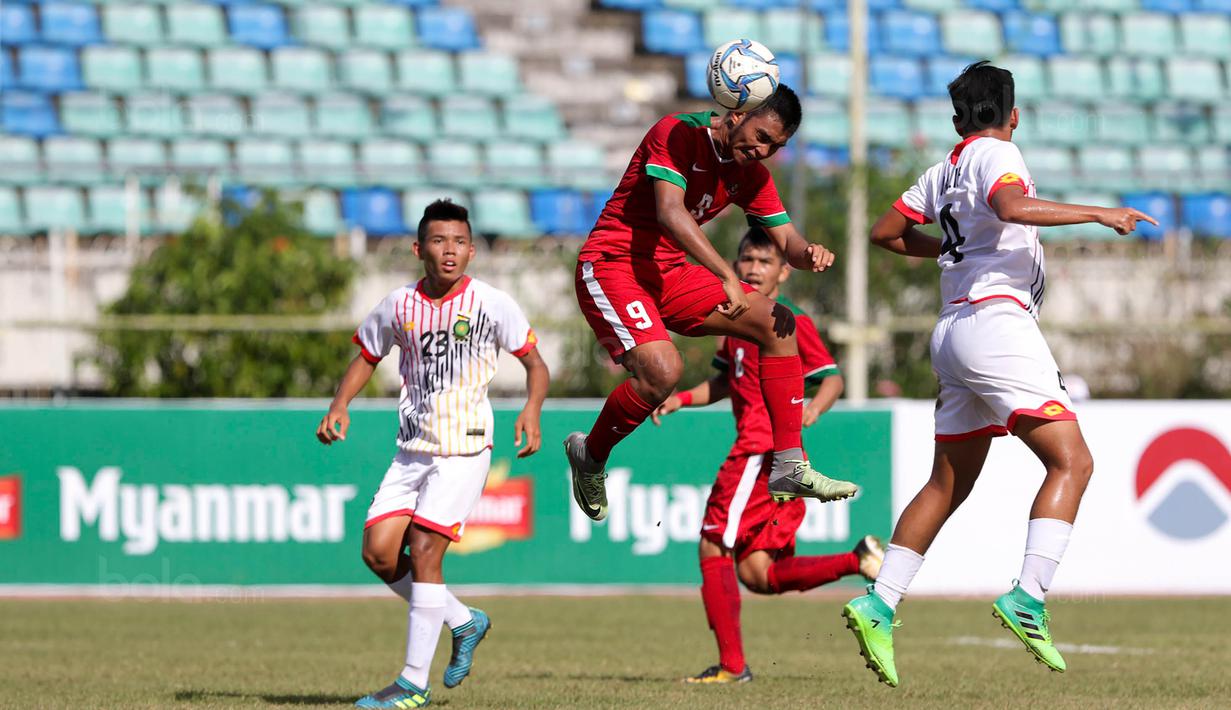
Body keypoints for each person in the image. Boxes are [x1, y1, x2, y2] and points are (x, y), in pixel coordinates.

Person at [842, 61, 1157, 688]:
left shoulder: (944, 171)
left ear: (956, 118)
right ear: (1013, 115)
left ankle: (880, 603)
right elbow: (1011, 205)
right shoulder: (995, 156)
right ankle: (1029, 597)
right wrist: (1100, 213)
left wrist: (954, 250)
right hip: (996, 326)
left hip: (952, 333)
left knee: (947, 484)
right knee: (1074, 462)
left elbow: (885, 232)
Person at [565, 85, 858, 524]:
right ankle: (590, 455)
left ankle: (788, 465)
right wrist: (726, 274)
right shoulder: (678, 133)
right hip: (614, 264)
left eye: (774, 146)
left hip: (669, 273)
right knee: (663, 370)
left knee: (780, 322)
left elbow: (787, 240)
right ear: (737, 113)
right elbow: (670, 211)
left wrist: (808, 252)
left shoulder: (752, 175)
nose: (762, 150)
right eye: (761, 136)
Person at [316, 200, 550, 708]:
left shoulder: (492, 303)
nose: (451, 251)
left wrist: (531, 410)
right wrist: (340, 404)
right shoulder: (399, 303)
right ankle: (464, 621)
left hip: (465, 448)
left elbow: (536, 364)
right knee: (379, 553)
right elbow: (367, 355)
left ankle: (411, 684)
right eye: (440, 241)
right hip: (412, 450)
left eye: (460, 242)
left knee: (424, 550)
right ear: (419, 248)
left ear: (471, 249)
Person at [653, 229, 884, 683]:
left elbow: (831, 378)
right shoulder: (733, 321)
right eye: (746, 259)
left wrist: (813, 410)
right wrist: (680, 398)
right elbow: (722, 384)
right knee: (759, 573)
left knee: (713, 543)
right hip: (769, 455)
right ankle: (857, 559)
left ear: (784, 270)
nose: (753, 268)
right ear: (735, 264)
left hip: (761, 451)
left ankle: (731, 668)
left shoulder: (785, 319)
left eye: (764, 261)